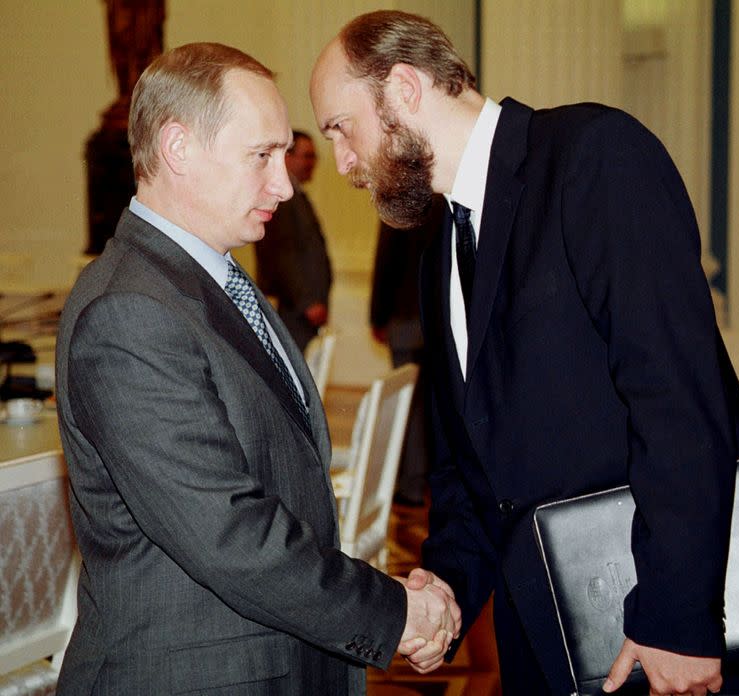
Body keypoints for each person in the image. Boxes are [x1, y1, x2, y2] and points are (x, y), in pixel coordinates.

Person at [310, 11, 739, 695]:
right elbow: (476, 465)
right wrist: (447, 587)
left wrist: (678, 617)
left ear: (404, 88)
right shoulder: (440, 243)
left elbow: (677, 398)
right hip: (546, 635)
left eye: (339, 130)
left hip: (661, 626)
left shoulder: (594, 155)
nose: (343, 163)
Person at [55, 42, 460, 695]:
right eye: (261, 156)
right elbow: (229, 533)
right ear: (178, 148)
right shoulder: (129, 313)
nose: (285, 183)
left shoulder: (206, 281)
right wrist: (394, 611)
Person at [370, 194, 445, 506]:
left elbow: (386, 261)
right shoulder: (442, 200)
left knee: (408, 408)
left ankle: (411, 485)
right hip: (436, 318)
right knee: (429, 405)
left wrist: (377, 315)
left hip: (404, 317)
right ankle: (426, 480)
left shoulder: (396, 201)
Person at [254, 130, 332, 352]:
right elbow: (282, 253)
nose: (312, 163)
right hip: (293, 310)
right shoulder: (280, 200)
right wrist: (307, 301)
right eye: (307, 156)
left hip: (301, 310)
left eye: (314, 157)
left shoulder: (297, 195)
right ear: (287, 157)